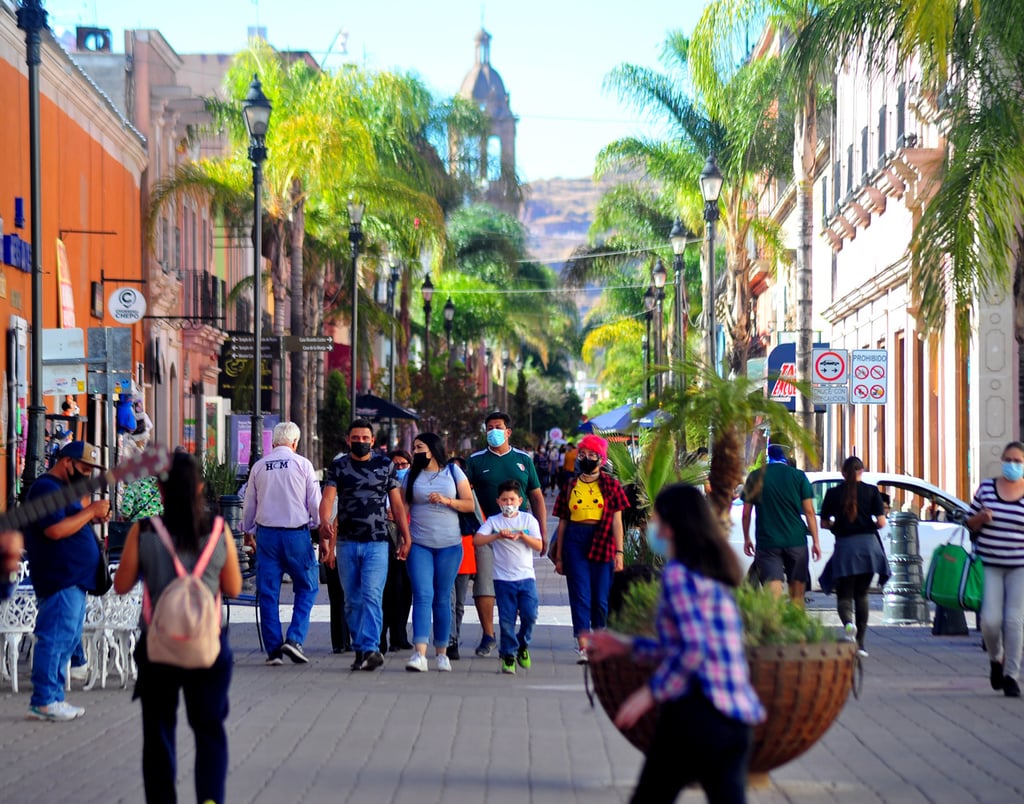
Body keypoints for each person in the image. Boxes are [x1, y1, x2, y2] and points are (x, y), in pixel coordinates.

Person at [589, 484, 765, 802]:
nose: (650, 525)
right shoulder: (710, 571)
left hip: (697, 713)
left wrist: (647, 694)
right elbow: (688, 645)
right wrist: (627, 646)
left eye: (655, 518)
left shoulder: (679, 575)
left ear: (671, 526)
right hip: (734, 717)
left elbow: (693, 650)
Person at [113, 452, 242, 804]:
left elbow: (121, 585)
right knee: (209, 730)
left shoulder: (144, 530)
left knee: (158, 733)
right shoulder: (218, 530)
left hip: (158, 650)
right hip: (207, 648)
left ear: (160, 489)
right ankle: (210, 800)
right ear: (200, 486)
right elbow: (233, 588)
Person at [24, 440, 109, 721]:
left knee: (67, 637)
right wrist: (90, 512)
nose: (87, 475)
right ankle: (45, 700)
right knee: (56, 637)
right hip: (60, 576)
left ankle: (55, 698)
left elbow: (70, 524)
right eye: (84, 468)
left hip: (73, 578)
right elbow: (54, 530)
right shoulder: (46, 488)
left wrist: (90, 516)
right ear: (67, 462)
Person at [320, 419, 412, 671]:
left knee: (372, 594)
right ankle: (361, 648)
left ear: (373, 440)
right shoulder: (339, 466)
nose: (360, 442)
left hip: (377, 542)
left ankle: (371, 647)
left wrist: (406, 536)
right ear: (348, 440)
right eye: (355, 438)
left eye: (365, 438)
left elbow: (396, 504)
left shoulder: (385, 465)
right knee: (352, 600)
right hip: (347, 542)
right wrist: (324, 523)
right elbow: (328, 498)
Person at [465, 411, 547, 657]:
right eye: (489, 427)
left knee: (520, 588)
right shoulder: (476, 460)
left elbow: (536, 497)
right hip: (488, 528)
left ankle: (519, 636)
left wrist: (542, 532)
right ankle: (489, 635)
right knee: (485, 584)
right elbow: (466, 492)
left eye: (498, 427)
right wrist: (481, 521)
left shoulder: (523, 459)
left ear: (508, 431)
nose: (493, 431)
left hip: (518, 533)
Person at [241, 421, 322, 666]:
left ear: (273, 442)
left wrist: (248, 531)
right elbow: (315, 504)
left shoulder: (259, 467)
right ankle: (295, 639)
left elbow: (249, 505)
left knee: (267, 592)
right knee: (307, 587)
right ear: (295, 443)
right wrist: (318, 525)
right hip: (296, 534)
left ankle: (273, 650)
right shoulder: (303, 465)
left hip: (267, 536)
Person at [552, 434, 629, 663]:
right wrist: (559, 556)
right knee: (580, 594)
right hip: (575, 540)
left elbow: (617, 521)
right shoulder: (570, 485)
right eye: (583, 454)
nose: (587, 458)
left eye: (592, 455)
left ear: (601, 459)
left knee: (601, 597)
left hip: (603, 539)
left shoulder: (612, 486)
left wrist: (620, 553)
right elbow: (563, 521)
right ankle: (583, 645)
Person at [402, 433, 473, 672]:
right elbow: (403, 508)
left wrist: (446, 501)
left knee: (443, 597)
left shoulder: (453, 472)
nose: (415, 451)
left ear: (431, 450)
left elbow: (469, 504)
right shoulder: (411, 476)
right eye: (414, 448)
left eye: (419, 447)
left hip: (450, 546)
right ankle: (419, 653)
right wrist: (403, 537)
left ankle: (442, 652)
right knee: (422, 594)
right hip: (419, 544)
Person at [966, 440, 1024, 697]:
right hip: (990, 564)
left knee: (1014, 621)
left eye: (1018, 461)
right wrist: (981, 518)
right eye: (1009, 460)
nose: (1012, 465)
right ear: (1002, 461)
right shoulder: (987, 488)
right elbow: (969, 522)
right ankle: (995, 659)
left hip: (1019, 567)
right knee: (989, 622)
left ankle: (1011, 675)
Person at [819, 456, 890, 658]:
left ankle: (849, 625)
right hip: (869, 549)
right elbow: (882, 523)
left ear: (843, 473)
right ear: (862, 472)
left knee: (844, 594)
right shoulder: (872, 491)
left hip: (845, 548)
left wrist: (838, 526)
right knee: (862, 594)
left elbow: (824, 523)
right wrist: (869, 525)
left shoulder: (833, 493)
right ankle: (860, 644)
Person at [473, 480, 543, 674]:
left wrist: (522, 535)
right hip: (503, 579)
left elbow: (538, 545)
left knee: (530, 614)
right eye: (505, 500)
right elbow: (477, 540)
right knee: (506, 619)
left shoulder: (528, 521)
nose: (509, 503)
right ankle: (509, 655)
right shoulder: (494, 522)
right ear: (498, 501)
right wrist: (497, 536)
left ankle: (523, 644)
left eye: (512, 499)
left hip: (526, 577)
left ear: (520, 500)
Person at [741, 443, 821, 606]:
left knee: (773, 596)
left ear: (767, 457)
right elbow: (810, 512)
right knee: (797, 597)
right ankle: (795, 627)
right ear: (787, 457)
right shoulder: (798, 476)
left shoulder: (756, 476)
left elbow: (746, 514)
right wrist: (816, 542)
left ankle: (775, 627)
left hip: (768, 542)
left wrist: (747, 538)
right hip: (796, 541)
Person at [381, 449, 413, 653]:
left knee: (406, 591)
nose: (400, 468)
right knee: (390, 591)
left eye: (404, 465)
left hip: (410, 542)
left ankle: (400, 635)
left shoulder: (412, 485)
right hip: (388, 542)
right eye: (397, 465)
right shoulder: (383, 485)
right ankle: (384, 635)